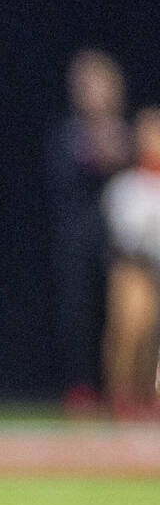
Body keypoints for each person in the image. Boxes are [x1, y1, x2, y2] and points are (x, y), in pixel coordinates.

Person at [47, 50, 132, 414]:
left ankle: (127, 390)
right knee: (78, 313)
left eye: (99, 84)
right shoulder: (67, 134)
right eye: (85, 86)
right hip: (76, 240)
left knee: (127, 315)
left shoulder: (132, 134)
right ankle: (81, 387)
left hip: (125, 242)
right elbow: (61, 181)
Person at [100, 107, 160, 420]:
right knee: (129, 330)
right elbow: (123, 235)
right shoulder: (126, 185)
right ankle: (121, 396)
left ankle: (149, 395)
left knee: (153, 338)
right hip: (135, 268)